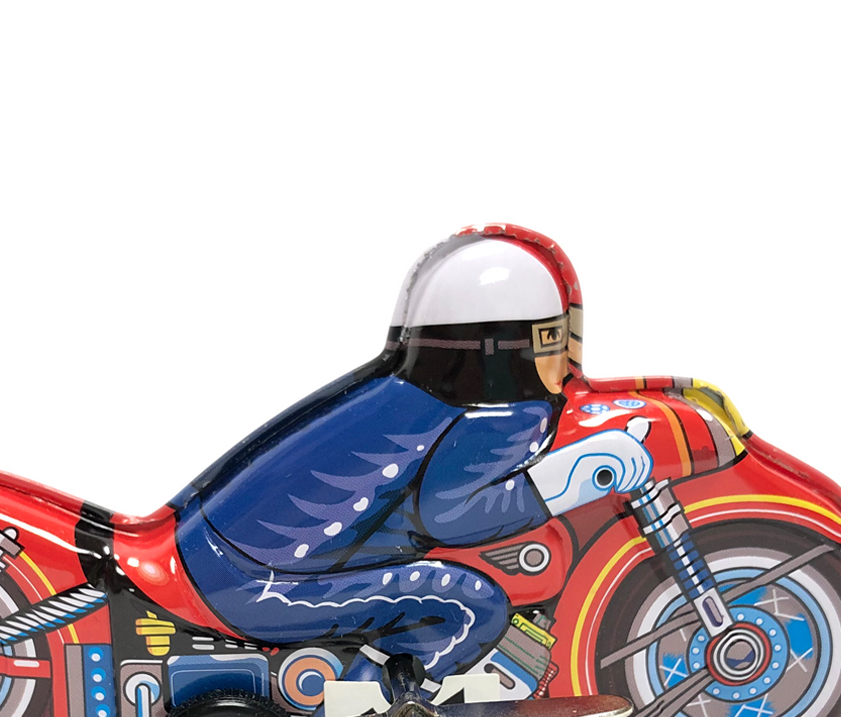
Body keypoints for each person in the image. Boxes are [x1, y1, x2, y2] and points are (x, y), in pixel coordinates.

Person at [172, 225, 653, 687]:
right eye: (553, 339)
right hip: (258, 584)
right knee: (471, 604)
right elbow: (448, 516)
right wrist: (569, 480)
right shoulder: (497, 417)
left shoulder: (404, 397)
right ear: (522, 343)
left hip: (226, 563)